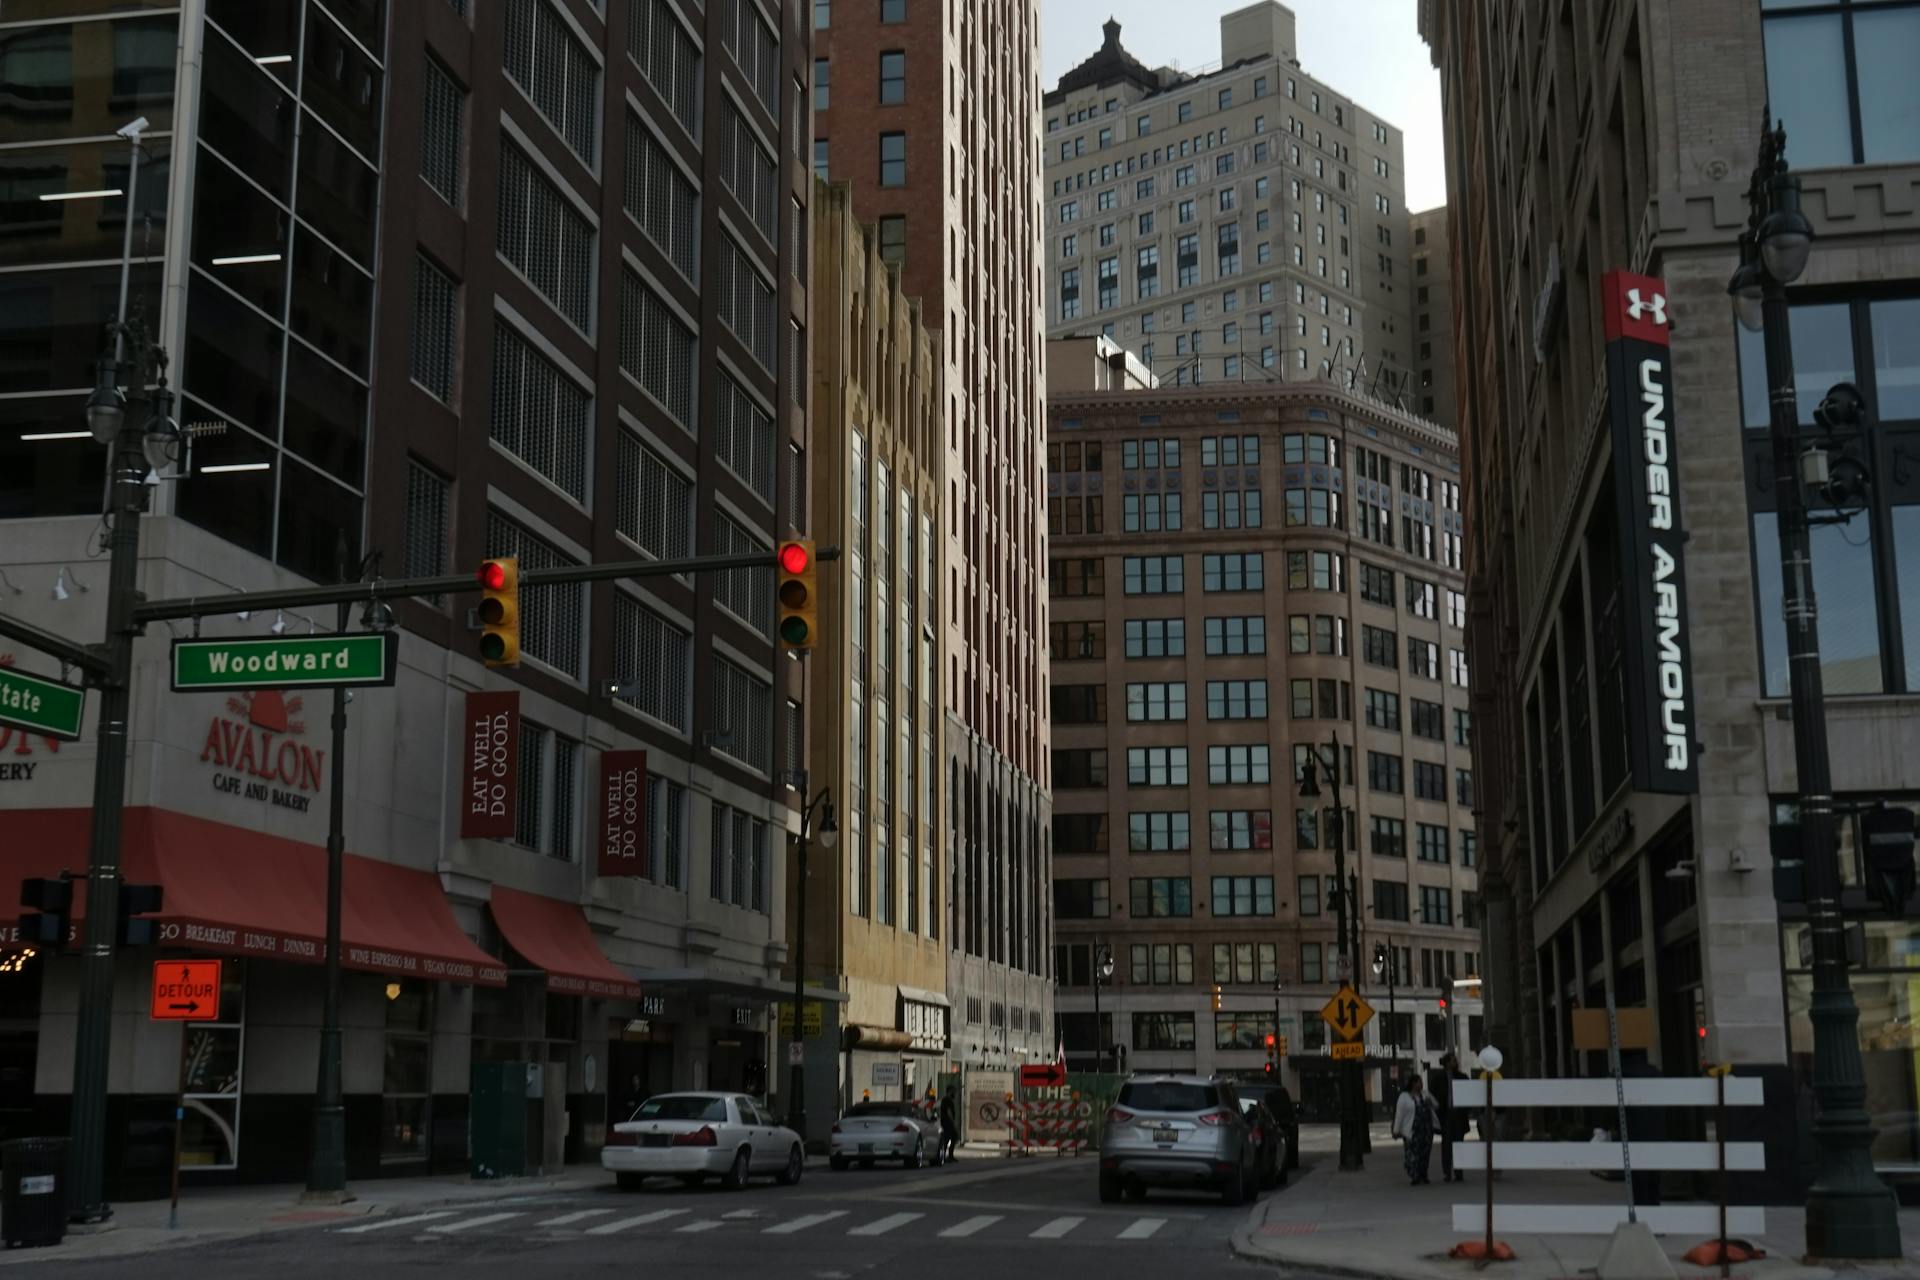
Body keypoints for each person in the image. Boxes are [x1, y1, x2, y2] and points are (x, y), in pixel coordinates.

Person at [1429, 1052, 1471, 1182]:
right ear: (1447, 1063)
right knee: (1446, 1145)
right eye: (1453, 1061)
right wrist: (1437, 1111)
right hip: (1445, 1115)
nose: (1456, 1063)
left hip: (1459, 1115)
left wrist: (1465, 1110)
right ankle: (1447, 1172)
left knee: (1459, 1144)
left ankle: (1459, 1172)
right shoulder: (1438, 1078)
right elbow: (1432, 1096)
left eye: (1456, 1060)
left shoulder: (1463, 1077)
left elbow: (1469, 1095)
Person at [1392, 1072, 1437, 1185]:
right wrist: (1396, 1130)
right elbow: (1399, 1114)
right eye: (1419, 1082)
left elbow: (1436, 1106)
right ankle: (1414, 1174)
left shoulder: (1425, 1094)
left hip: (1426, 1129)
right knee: (1412, 1153)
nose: (1421, 1084)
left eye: (1421, 1082)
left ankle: (1423, 1174)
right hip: (1412, 1129)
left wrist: (1431, 1103)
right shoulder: (1404, 1097)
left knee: (1425, 1153)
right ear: (1413, 1083)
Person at [938, 1089, 959, 1162]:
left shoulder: (945, 1100)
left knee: (949, 1138)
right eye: (954, 1092)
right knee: (951, 1137)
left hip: (945, 1122)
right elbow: (949, 1111)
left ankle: (947, 1155)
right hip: (948, 1122)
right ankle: (947, 1156)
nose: (955, 1094)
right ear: (950, 1092)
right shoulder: (948, 1100)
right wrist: (952, 1122)